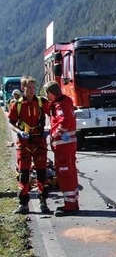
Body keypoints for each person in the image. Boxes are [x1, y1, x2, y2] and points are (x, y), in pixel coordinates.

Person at [8, 76, 51, 215]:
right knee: (24, 175)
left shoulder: (41, 102)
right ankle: (23, 205)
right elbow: (11, 123)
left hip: (39, 142)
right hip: (24, 144)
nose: (32, 90)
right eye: (29, 88)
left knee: (42, 175)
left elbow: (52, 115)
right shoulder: (17, 104)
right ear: (23, 88)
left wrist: (48, 128)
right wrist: (20, 132)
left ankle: (43, 203)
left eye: (33, 87)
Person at [43, 81, 80, 216]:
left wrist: (54, 134)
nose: (46, 97)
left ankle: (70, 205)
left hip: (63, 146)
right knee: (71, 172)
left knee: (64, 174)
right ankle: (73, 202)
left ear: (51, 94)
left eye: (47, 94)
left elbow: (63, 121)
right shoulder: (67, 101)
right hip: (70, 144)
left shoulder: (59, 106)